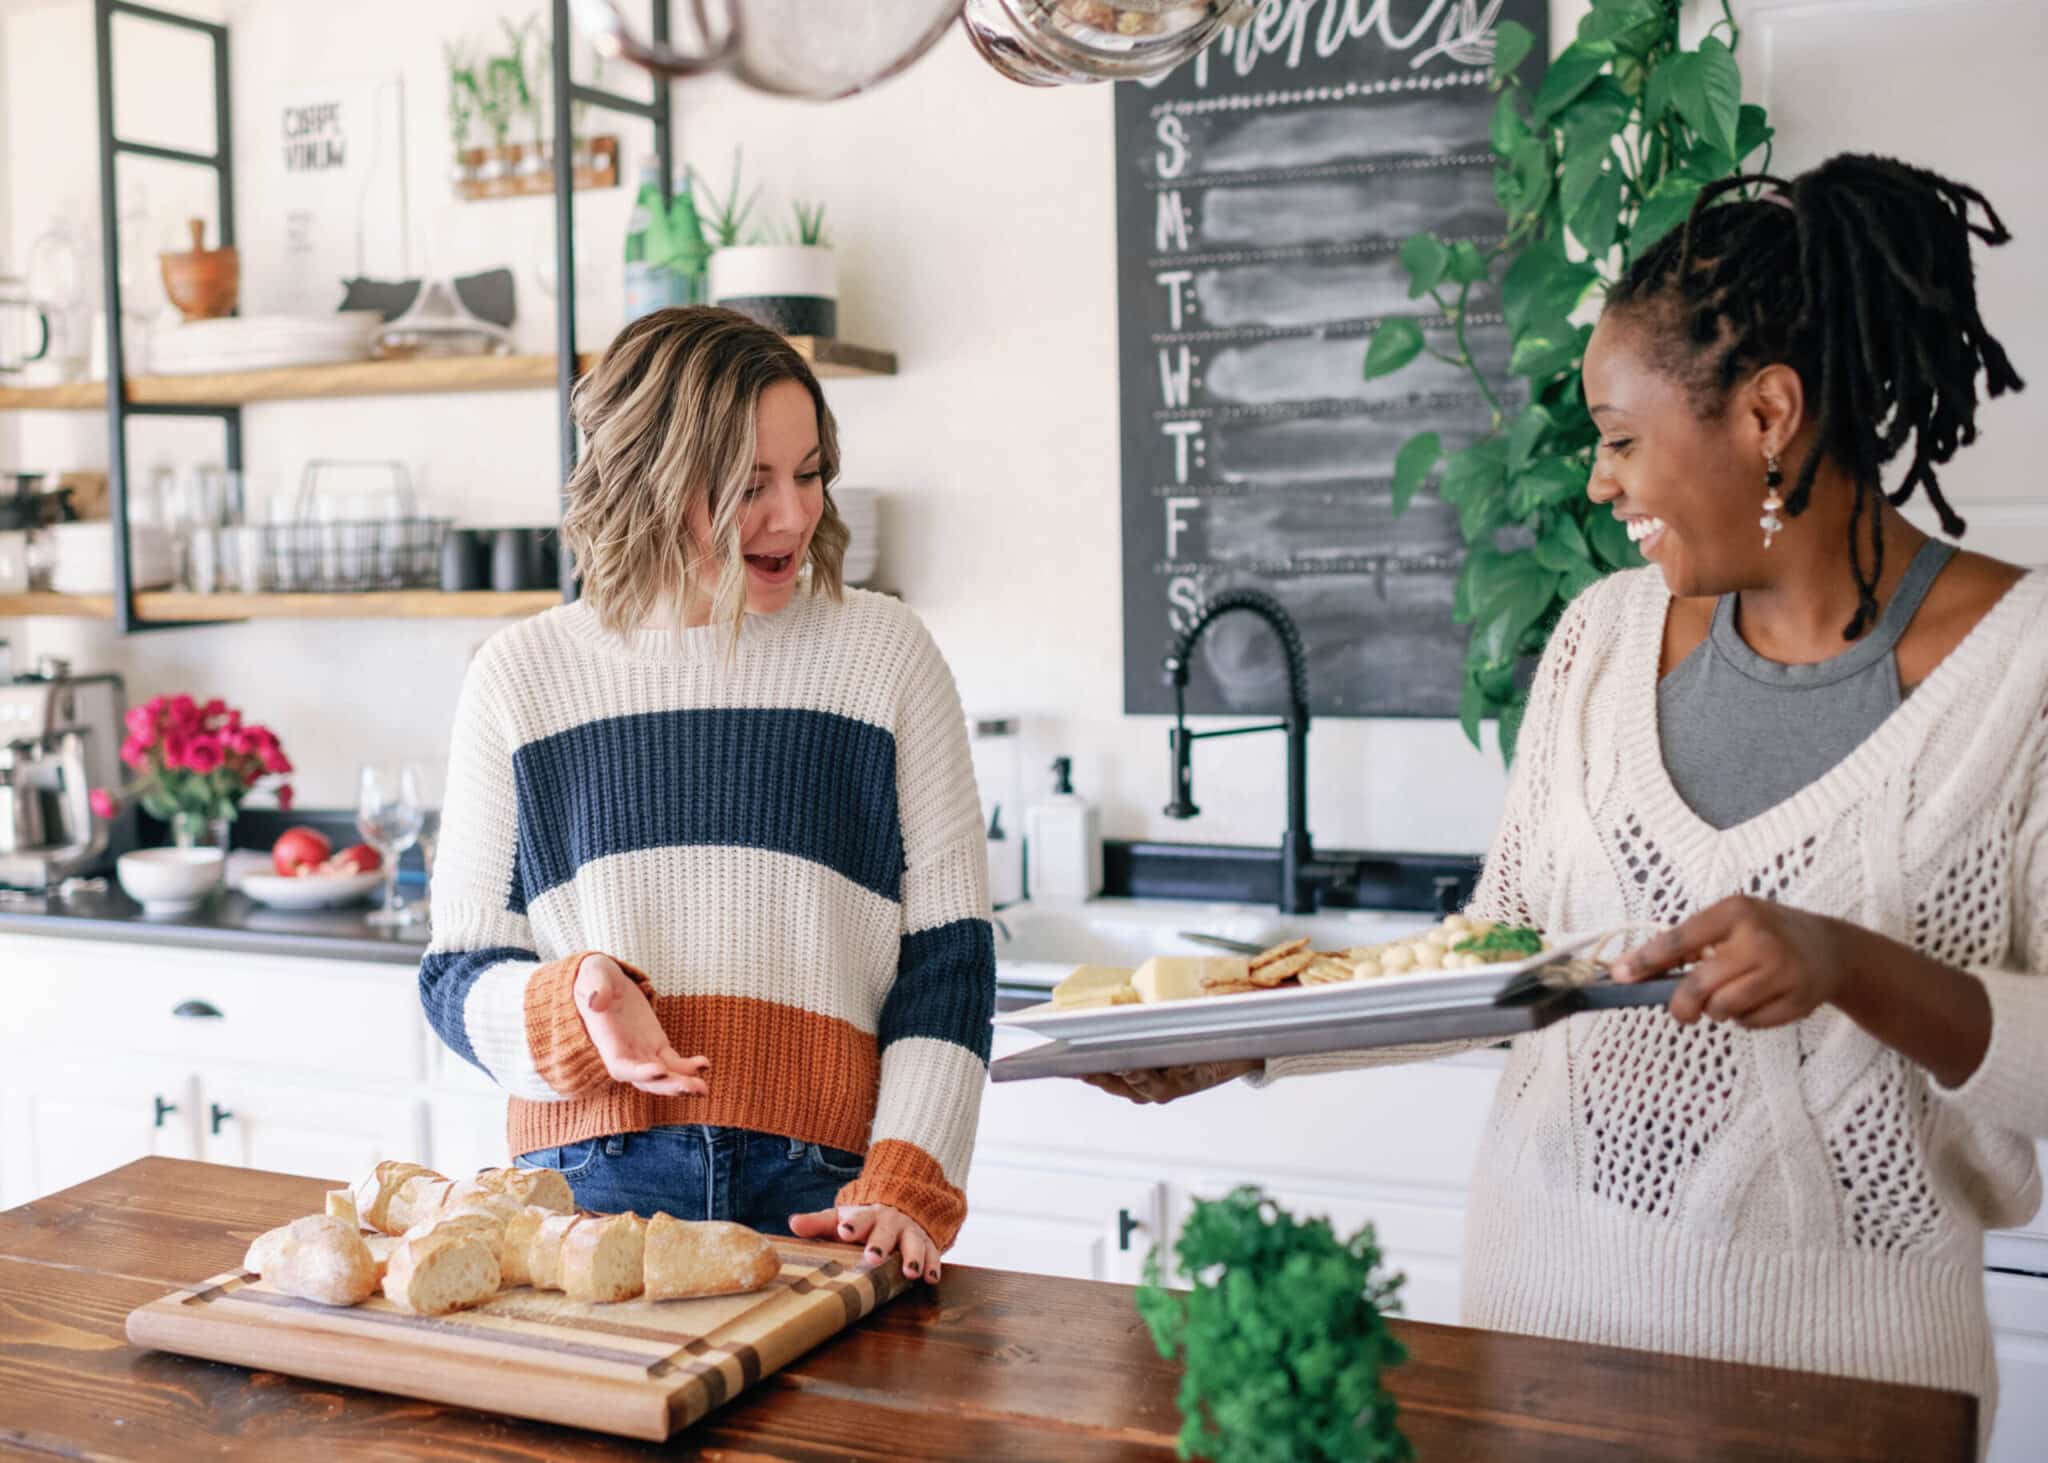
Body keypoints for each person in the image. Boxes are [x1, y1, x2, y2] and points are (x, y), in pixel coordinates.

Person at [1088, 154, 2041, 1440]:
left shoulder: (2021, 677)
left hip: (1847, 1380)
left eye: (1620, 440)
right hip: (1538, 1333)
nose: (1600, 483)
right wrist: (1244, 1036)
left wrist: (1842, 963)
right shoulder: (1602, 637)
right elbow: (1504, 953)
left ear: (1765, 413)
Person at [419, 306, 995, 1283]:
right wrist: (573, 1001)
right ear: (648, 479)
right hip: (583, 1182)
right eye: (746, 485)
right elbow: (457, 972)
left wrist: (906, 1177)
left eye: (808, 472)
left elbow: (947, 960)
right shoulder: (522, 673)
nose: (792, 513)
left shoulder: (882, 653)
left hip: (828, 1193)